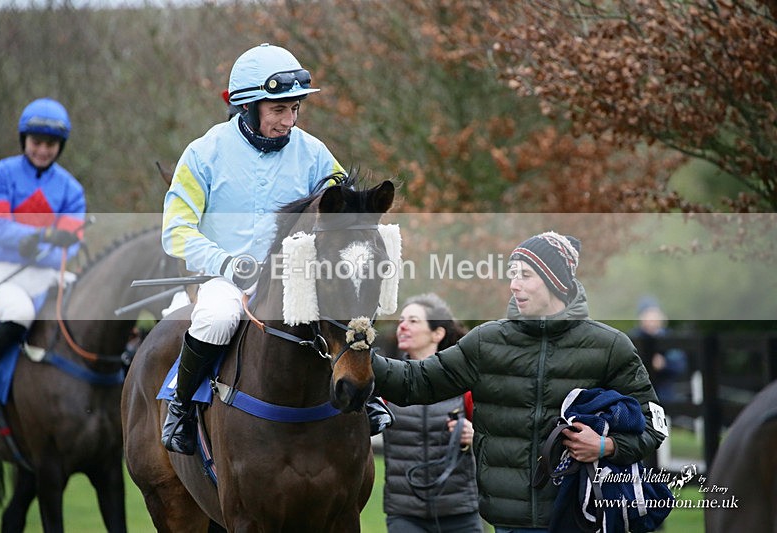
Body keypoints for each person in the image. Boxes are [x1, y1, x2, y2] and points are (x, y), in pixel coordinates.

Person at [160, 43, 392, 455]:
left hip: (296, 278)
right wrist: (229, 264)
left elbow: (347, 213)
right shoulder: (202, 154)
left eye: (295, 109)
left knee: (347, 305)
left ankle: (366, 396)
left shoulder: (315, 153)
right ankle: (180, 408)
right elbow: (176, 232)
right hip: (227, 278)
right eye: (278, 111)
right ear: (247, 108)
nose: (289, 121)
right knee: (217, 316)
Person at [371, 231, 667, 532]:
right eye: (513, 274)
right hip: (507, 522)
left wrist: (607, 446)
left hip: (579, 518)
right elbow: (414, 381)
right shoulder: (486, 342)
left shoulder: (610, 346)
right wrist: (356, 352)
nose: (514, 284)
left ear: (556, 282)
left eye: (525, 275)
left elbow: (654, 424)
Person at [0, 98, 85, 417]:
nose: (42, 150)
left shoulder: (71, 189)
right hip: (3, 270)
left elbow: (72, 245)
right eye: (37, 142)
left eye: (51, 144)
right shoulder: (1, 174)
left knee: (90, 298)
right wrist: (38, 238)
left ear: (60, 146)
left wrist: (40, 246)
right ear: (24, 139)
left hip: (47, 272)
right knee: (20, 311)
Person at [383, 293, 483, 533]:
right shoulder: (386, 383)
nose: (403, 326)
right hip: (405, 514)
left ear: (437, 333)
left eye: (414, 321)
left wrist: (476, 435)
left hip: (461, 513)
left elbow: (500, 439)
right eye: (401, 321)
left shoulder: (464, 384)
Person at [628, 296, 687, 404]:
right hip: (639, 396)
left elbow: (680, 364)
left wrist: (664, 364)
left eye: (654, 315)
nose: (652, 320)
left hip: (665, 394)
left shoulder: (669, 338)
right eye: (647, 315)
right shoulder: (632, 338)